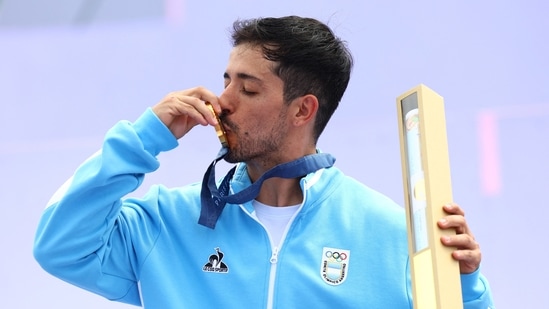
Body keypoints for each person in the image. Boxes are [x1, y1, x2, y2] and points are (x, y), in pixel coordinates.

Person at [33, 16, 494, 308]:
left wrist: (466, 287)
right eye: (226, 80)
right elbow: (60, 246)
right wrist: (143, 138)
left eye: (248, 89)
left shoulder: (392, 234)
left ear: (302, 110)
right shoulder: (165, 222)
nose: (222, 101)